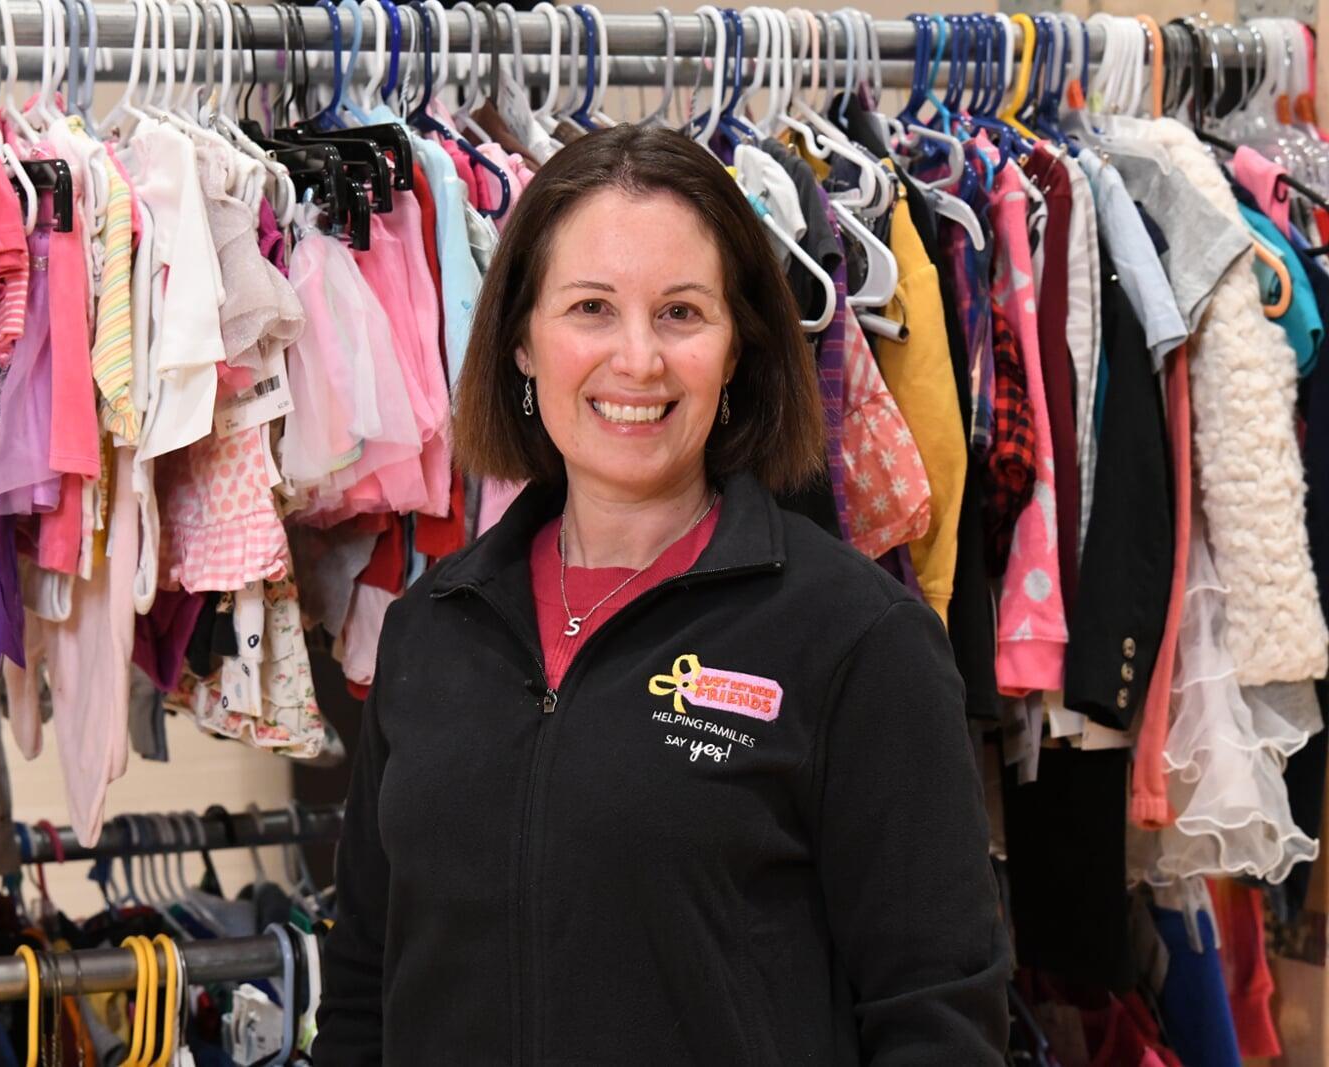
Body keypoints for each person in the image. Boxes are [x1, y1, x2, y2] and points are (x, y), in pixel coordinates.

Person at [314, 125, 1009, 1065]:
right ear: (521, 340)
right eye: (591, 308)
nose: (637, 360)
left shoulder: (856, 640)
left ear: (737, 350)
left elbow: (939, 1018)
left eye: (681, 313)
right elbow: (364, 989)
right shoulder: (429, 632)